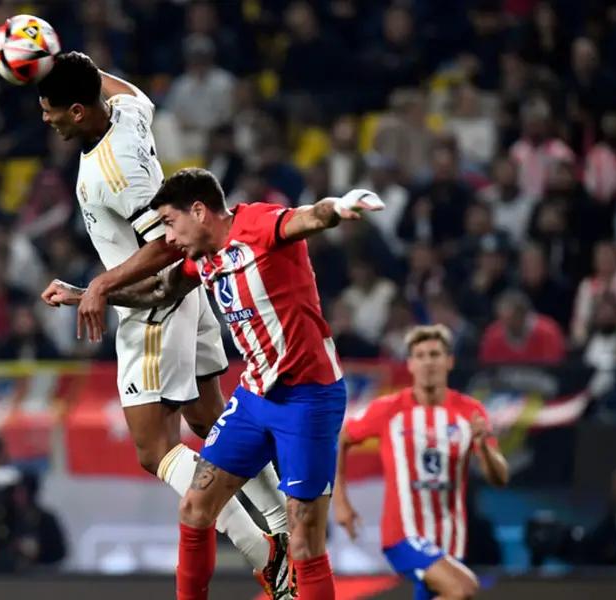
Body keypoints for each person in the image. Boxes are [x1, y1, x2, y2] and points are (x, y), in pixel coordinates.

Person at [49, 169, 382, 600]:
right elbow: (157, 294)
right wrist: (85, 294)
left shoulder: (257, 225)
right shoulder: (200, 259)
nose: (168, 237)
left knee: (304, 544)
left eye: (170, 222)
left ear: (200, 211)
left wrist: (339, 207)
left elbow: (307, 218)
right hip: (254, 399)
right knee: (194, 507)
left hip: (309, 399)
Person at [32, 52, 291, 597]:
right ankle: (284, 528)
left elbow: (164, 245)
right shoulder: (127, 111)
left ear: (78, 112)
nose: (45, 117)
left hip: (152, 306)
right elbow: (116, 85)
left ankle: (263, 554)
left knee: (154, 450)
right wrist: (59, 59)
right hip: (187, 296)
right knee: (209, 419)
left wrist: (99, 287)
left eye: (51, 108)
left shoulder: (115, 168)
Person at [334, 325, 510, 600]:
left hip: (449, 537)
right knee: (463, 588)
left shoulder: (470, 412)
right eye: (421, 355)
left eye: (435, 354)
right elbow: (343, 438)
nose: (428, 362)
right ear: (410, 364)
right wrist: (340, 501)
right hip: (403, 535)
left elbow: (499, 478)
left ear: (449, 361)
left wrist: (485, 449)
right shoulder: (389, 409)